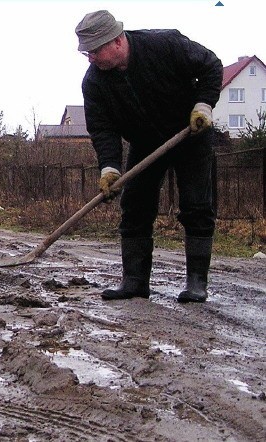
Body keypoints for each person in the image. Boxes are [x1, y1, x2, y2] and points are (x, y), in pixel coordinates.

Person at [75, 10, 223, 303]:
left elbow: (212, 66)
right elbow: (103, 130)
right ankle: (135, 281)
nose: (90, 58)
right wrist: (109, 168)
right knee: (135, 207)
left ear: (116, 41)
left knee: (196, 205)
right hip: (145, 143)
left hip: (189, 132)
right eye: (86, 53)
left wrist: (203, 105)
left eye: (94, 51)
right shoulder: (94, 83)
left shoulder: (165, 44)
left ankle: (196, 283)